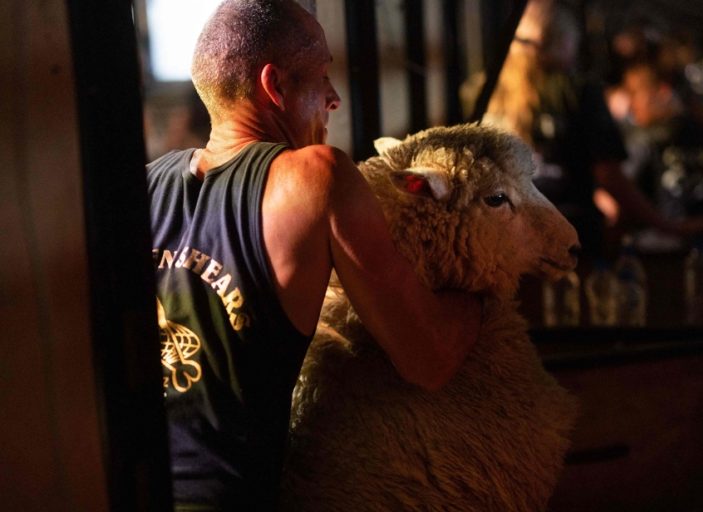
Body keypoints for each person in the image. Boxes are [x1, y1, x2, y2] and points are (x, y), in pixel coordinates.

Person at [146, 1, 482, 509]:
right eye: (323, 75)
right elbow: (428, 357)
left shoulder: (144, 185)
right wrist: (483, 288)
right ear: (274, 86)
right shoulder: (315, 177)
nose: (335, 98)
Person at [483, 0, 703, 260]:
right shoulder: (579, 92)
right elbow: (610, 177)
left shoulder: (486, 91)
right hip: (570, 237)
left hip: (505, 240)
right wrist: (668, 226)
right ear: (565, 42)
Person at [620, 60, 703, 251]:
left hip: (671, 257)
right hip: (693, 250)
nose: (631, 105)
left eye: (635, 94)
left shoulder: (648, 143)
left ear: (663, 92)